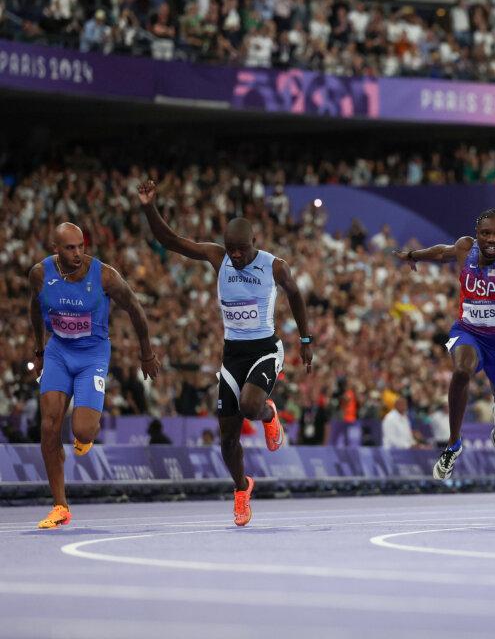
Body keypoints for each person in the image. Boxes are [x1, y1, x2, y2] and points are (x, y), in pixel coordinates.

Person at [138, 180, 313, 526]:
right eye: (231, 249)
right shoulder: (218, 257)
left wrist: (306, 340)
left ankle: (267, 414)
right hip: (232, 354)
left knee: (250, 406)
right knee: (228, 436)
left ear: (253, 244)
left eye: (240, 250)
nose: (235, 255)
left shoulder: (274, 266)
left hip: (265, 348)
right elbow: (170, 241)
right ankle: (241, 488)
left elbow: (295, 295)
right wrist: (149, 207)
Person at [393, 209, 495, 479]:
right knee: (462, 370)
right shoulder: (466, 248)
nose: (491, 239)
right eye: (486, 233)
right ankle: (453, 445)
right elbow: (442, 253)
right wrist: (413, 255)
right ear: (477, 234)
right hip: (468, 331)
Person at [29, 222, 160, 529]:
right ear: (56, 249)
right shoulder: (39, 274)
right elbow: (33, 308)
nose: (77, 253)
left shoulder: (104, 276)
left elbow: (135, 309)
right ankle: (60, 505)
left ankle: (87, 433)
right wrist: (39, 349)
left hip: (92, 356)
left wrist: (146, 353)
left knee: (84, 431)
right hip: (58, 352)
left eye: (81, 246)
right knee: (49, 426)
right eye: (70, 248)